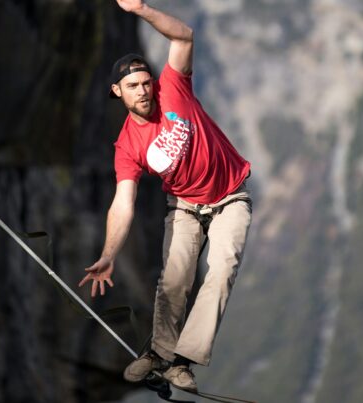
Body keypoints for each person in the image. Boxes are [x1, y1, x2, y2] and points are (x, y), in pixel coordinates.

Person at [78, 0, 252, 393]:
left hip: (231, 197)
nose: (143, 91)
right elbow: (123, 202)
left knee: (222, 269)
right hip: (186, 206)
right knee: (174, 280)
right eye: (133, 87)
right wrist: (108, 255)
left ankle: (183, 362)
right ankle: (159, 353)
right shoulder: (126, 145)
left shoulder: (173, 87)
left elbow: (184, 35)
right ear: (116, 92)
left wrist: (140, 9)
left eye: (145, 82)